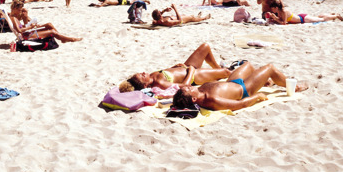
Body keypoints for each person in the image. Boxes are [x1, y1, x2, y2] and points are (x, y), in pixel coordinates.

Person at [171, 61, 308, 112]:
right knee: (270, 67)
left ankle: (265, 81)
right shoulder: (211, 99)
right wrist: (257, 96)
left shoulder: (196, 92)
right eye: (188, 89)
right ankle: (293, 87)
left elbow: (183, 87)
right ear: (194, 99)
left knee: (247, 65)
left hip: (232, 82)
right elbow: (239, 105)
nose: (189, 86)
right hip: (244, 89)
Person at [119, 43, 231, 92]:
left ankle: (217, 69)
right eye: (142, 76)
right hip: (193, 76)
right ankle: (222, 72)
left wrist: (174, 67)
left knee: (205, 47)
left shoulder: (152, 75)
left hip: (186, 67)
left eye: (141, 73)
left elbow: (168, 73)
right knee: (227, 72)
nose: (144, 72)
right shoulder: (159, 84)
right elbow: (184, 86)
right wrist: (191, 71)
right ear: (145, 85)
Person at [10, 0, 82, 42]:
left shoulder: (14, 17)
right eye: (19, 10)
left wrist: (30, 25)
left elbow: (20, 27)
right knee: (52, 31)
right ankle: (71, 39)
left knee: (49, 25)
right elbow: (19, 30)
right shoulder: (13, 18)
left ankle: (61, 38)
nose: (20, 12)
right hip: (26, 36)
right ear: (14, 8)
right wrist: (30, 27)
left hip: (27, 32)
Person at [266, 0, 343, 24]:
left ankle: (336, 16)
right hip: (300, 17)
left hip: (303, 19)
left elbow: (284, 23)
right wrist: (274, 18)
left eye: (273, 8)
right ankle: (330, 14)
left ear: (276, 7)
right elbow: (282, 20)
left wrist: (275, 18)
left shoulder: (284, 11)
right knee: (317, 17)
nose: (272, 10)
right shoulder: (279, 12)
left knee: (322, 20)